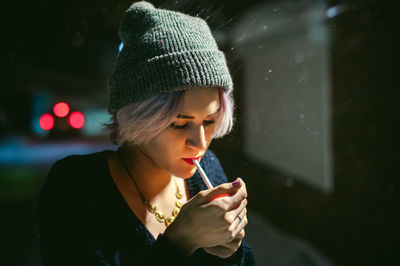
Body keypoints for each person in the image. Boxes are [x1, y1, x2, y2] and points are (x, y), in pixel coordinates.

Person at [38, 1, 255, 265]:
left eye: (209, 121)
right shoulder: (76, 187)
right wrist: (179, 241)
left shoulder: (207, 166)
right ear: (139, 117)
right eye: (179, 123)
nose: (200, 143)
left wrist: (231, 252)